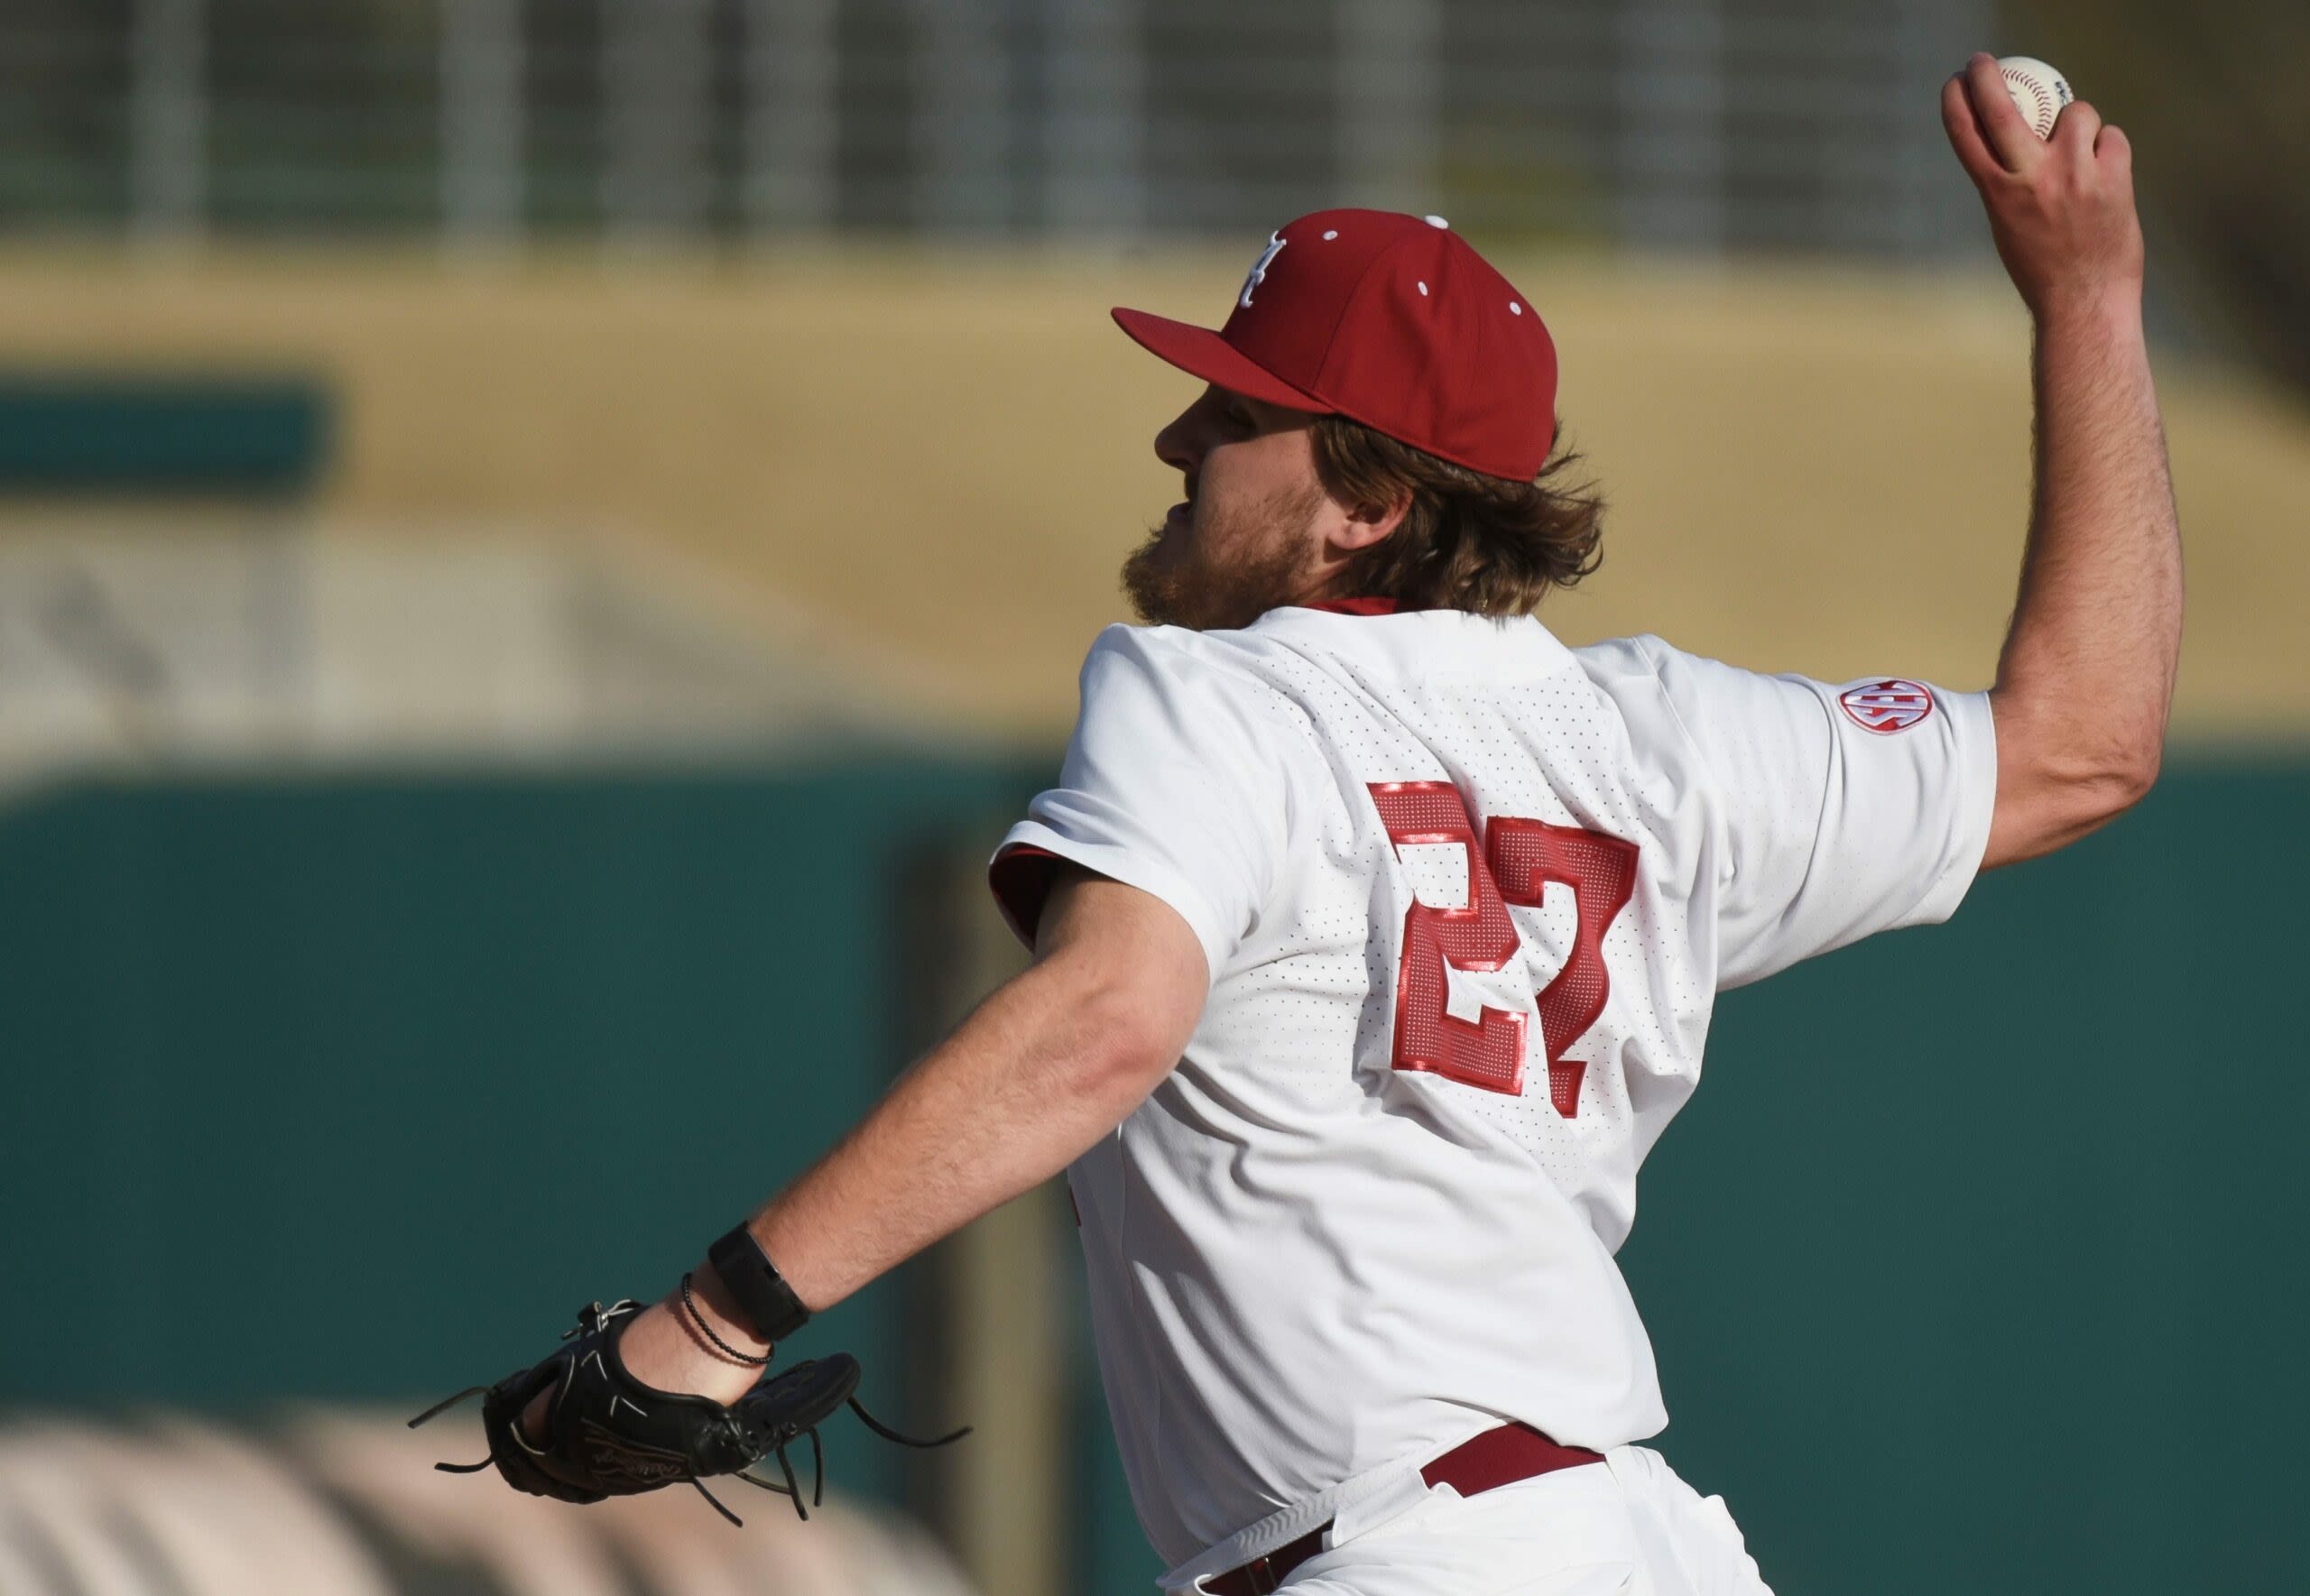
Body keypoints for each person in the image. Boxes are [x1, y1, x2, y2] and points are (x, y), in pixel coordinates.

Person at [523, 54, 2178, 1594]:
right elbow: (2083, 747)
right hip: (1643, 1544)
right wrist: (2091, 300)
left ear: (1371, 502)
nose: (1180, 436)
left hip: (1409, 1557)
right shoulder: (1660, 742)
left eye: (1239, 416)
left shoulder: (1221, 697)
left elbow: (1106, 1016)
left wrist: (719, 1316)